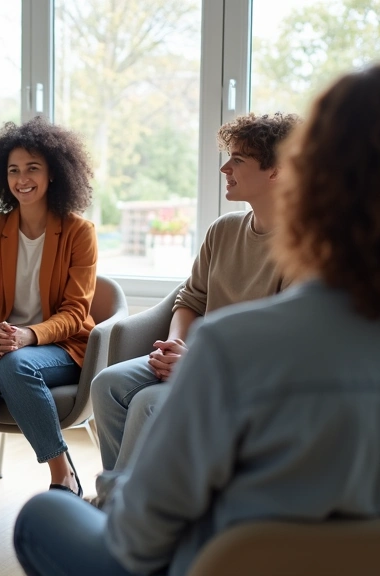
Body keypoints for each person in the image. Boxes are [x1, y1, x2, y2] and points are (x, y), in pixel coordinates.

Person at [15, 61, 380, 576]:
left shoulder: (233, 348)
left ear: (310, 179)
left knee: (43, 513)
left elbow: (137, 540)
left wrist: (125, 492)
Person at [90, 111, 300, 475]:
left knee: (148, 404)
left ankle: (119, 511)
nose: (224, 169)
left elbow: (283, 342)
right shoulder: (224, 230)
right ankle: (131, 499)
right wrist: (176, 346)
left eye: (238, 159)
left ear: (276, 171)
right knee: (107, 384)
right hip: (195, 356)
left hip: (245, 375)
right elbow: (190, 299)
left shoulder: (302, 248)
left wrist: (197, 363)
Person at [0, 117, 98, 539]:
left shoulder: (79, 232)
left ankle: (61, 474)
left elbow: (75, 310)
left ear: (54, 172)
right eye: (13, 170)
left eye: (32, 168)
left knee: (16, 367)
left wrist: (28, 336)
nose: (22, 179)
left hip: (57, 346)